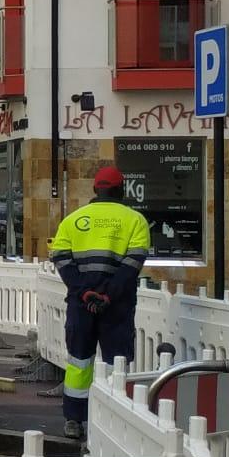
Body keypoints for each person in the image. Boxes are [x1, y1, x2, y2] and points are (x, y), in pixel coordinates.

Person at [50, 164, 152, 440]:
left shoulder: (73, 219)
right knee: (116, 362)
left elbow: (61, 258)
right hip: (116, 305)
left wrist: (84, 292)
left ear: (95, 189)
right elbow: (133, 263)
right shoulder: (135, 220)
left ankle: (74, 420)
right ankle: (112, 420)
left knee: (79, 362)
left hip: (81, 303)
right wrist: (108, 295)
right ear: (121, 190)